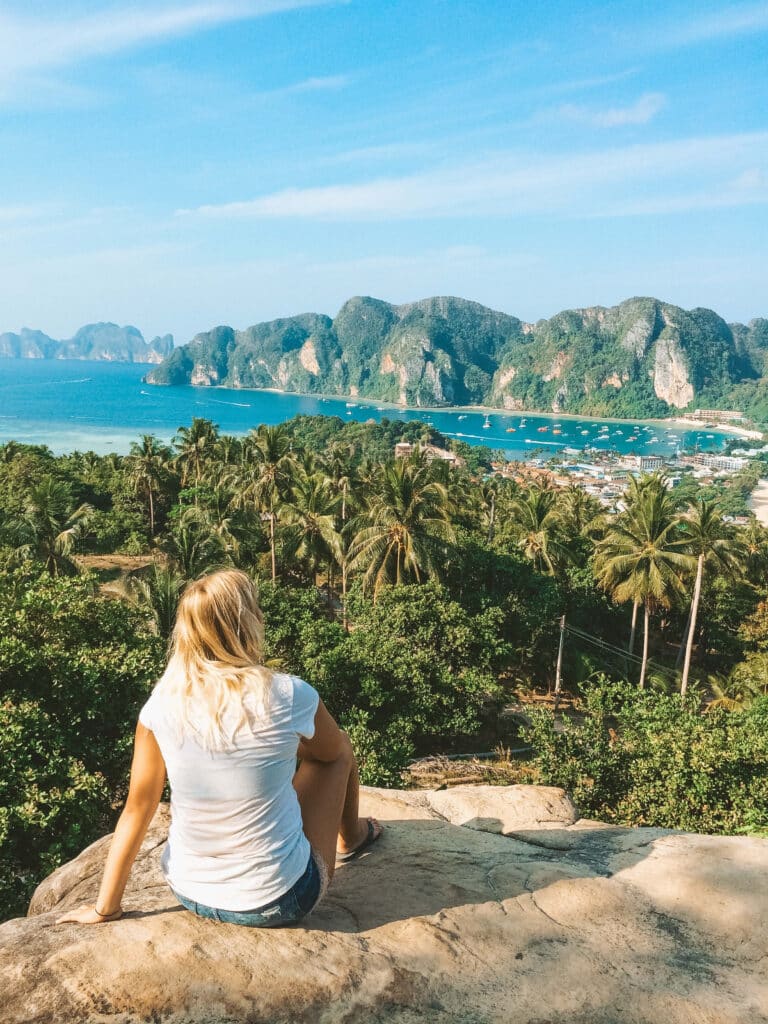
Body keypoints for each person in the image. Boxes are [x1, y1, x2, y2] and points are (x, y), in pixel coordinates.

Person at [56, 569, 381, 928]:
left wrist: (106, 908)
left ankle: (347, 835)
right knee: (337, 752)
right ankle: (353, 837)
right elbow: (330, 752)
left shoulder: (160, 706)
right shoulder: (289, 694)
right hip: (280, 899)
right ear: (248, 622)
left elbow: (138, 808)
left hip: (190, 893)